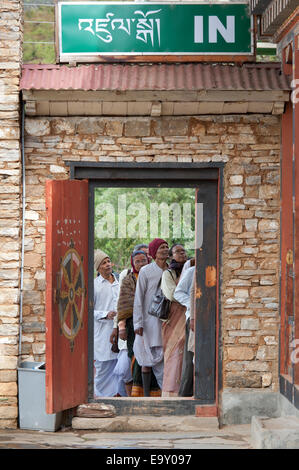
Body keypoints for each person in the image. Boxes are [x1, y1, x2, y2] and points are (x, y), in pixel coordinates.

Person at [117, 250, 161, 397]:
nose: (141, 264)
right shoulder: (129, 280)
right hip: (134, 326)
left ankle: (155, 393)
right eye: (138, 261)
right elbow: (123, 306)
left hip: (154, 322)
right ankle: (139, 394)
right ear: (132, 263)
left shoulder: (154, 274)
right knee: (138, 358)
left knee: (154, 356)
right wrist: (122, 327)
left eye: (144, 260)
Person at [133, 238, 169, 396]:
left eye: (167, 247)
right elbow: (138, 298)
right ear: (154, 252)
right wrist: (138, 323)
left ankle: (166, 394)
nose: (165, 250)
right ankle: (147, 396)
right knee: (146, 359)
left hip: (167, 320)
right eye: (161, 247)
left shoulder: (171, 270)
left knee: (166, 359)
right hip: (148, 322)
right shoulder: (146, 271)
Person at [160, 244, 187, 396]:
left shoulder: (190, 270)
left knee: (185, 355)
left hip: (186, 318)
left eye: (183, 251)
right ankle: (170, 392)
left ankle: (185, 391)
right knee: (173, 354)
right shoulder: (168, 274)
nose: (182, 254)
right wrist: (187, 297)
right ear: (171, 256)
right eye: (178, 252)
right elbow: (172, 294)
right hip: (173, 320)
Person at [93, 249, 120, 397]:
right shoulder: (94, 285)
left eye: (108, 261)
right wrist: (105, 314)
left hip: (119, 331)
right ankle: (100, 398)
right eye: (104, 263)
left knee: (118, 367)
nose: (108, 265)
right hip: (102, 332)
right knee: (103, 367)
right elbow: (88, 311)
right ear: (98, 268)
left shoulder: (119, 282)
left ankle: (116, 397)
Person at [173, 261, 195, 397]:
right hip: (193, 319)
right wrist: (193, 306)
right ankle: (184, 396)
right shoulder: (192, 271)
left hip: (208, 318)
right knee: (190, 360)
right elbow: (178, 292)